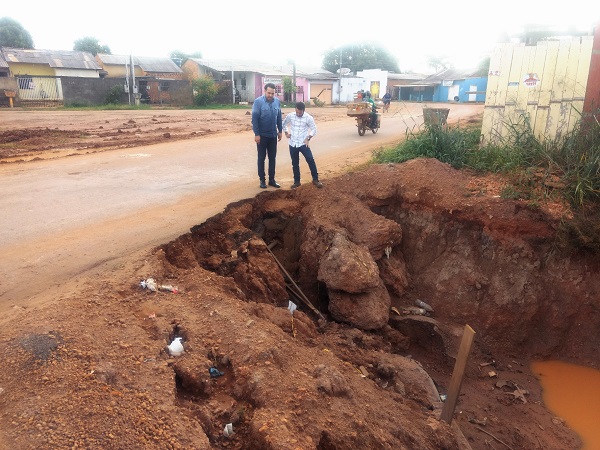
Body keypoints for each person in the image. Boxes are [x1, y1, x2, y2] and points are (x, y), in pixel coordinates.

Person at [282, 102, 323, 189]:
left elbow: (314, 129)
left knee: (310, 159)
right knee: (295, 163)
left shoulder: (308, 118)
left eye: (300, 113)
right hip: (292, 143)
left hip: (303, 143)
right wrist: (286, 133)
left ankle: (315, 179)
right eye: (297, 112)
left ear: (303, 110)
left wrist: (308, 138)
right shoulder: (291, 116)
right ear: (295, 109)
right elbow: (283, 124)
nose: (298, 114)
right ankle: (297, 182)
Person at [252, 83, 283, 188]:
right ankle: (262, 180)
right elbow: (254, 119)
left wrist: (280, 131)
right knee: (261, 158)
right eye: (269, 93)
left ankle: (272, 180)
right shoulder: (258, 102)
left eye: (272, 93)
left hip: (273, 135)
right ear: (265, 91)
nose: (270, 95)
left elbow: (279, 117)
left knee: (272, 158)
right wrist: (257, 134)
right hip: (262, 136)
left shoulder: (277, 102)